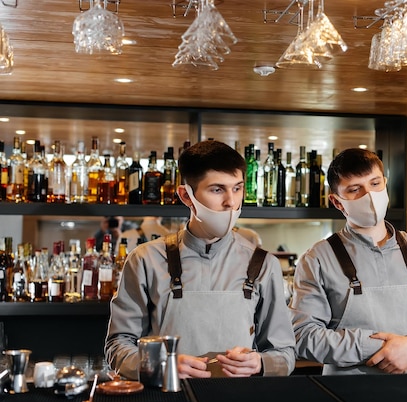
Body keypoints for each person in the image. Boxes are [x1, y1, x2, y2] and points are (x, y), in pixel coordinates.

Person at [105, 140, 296, 379]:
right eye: (217, 189)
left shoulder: (263, 264)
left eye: (237, 188)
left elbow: (285, 354)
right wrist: (160, 365)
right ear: (186, 196)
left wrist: (261, 363)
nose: (231, 202)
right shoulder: (145, 260)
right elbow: (118, 346)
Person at [289, 148, 407, 375]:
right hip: (345, 399)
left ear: (385, 184)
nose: (369, 195)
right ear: (337, 202)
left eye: (375, 184)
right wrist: (384, 349)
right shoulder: (318, 258)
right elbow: (303, 335)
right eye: (355, 189)